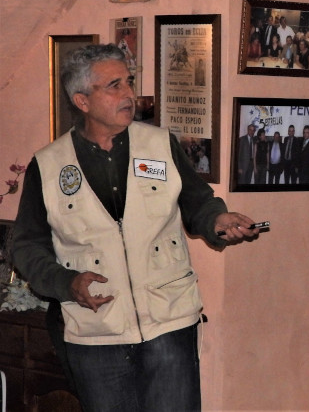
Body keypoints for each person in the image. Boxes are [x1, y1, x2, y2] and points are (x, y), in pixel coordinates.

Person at [10, 44, 259, 412]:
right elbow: (26, 246)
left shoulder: (159, 145)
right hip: (96, 331)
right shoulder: (48, 166)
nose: (129, 94)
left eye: (128, 82)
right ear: (82, 100)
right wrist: (66, 284)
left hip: (168, 322)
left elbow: (197, 202)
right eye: (114, 85)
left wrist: (217, 221)